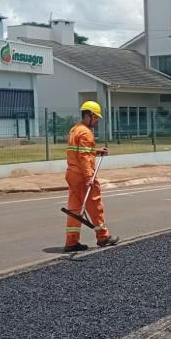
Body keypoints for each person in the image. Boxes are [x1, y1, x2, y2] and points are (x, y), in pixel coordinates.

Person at [64, 100, 119, 252]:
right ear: (88, 115)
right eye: (95, 118)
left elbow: (82, 152)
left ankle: (71, 241)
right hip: (83, 176)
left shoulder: (75, 130)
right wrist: (89, 177)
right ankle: (103, 237)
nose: (96, 121)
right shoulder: (86, 133)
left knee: (74, 209)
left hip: (72, 175)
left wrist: (97, 151)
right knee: (95, 205)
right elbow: (84, 157)